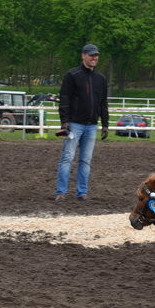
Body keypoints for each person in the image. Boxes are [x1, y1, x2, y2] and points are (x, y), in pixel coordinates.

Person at [54, 44, 109, 202]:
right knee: (67, 158)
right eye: (91, 55)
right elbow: (64, 98)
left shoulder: (101, 79)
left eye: (96, 55)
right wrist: (64, 121)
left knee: (86, 160)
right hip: (74, 124)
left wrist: (105, 124)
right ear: (83, 56)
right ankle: (61, 192)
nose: (94, 58)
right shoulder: (72, 75)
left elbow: (103, 102)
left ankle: (82, 192)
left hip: (92, 125)